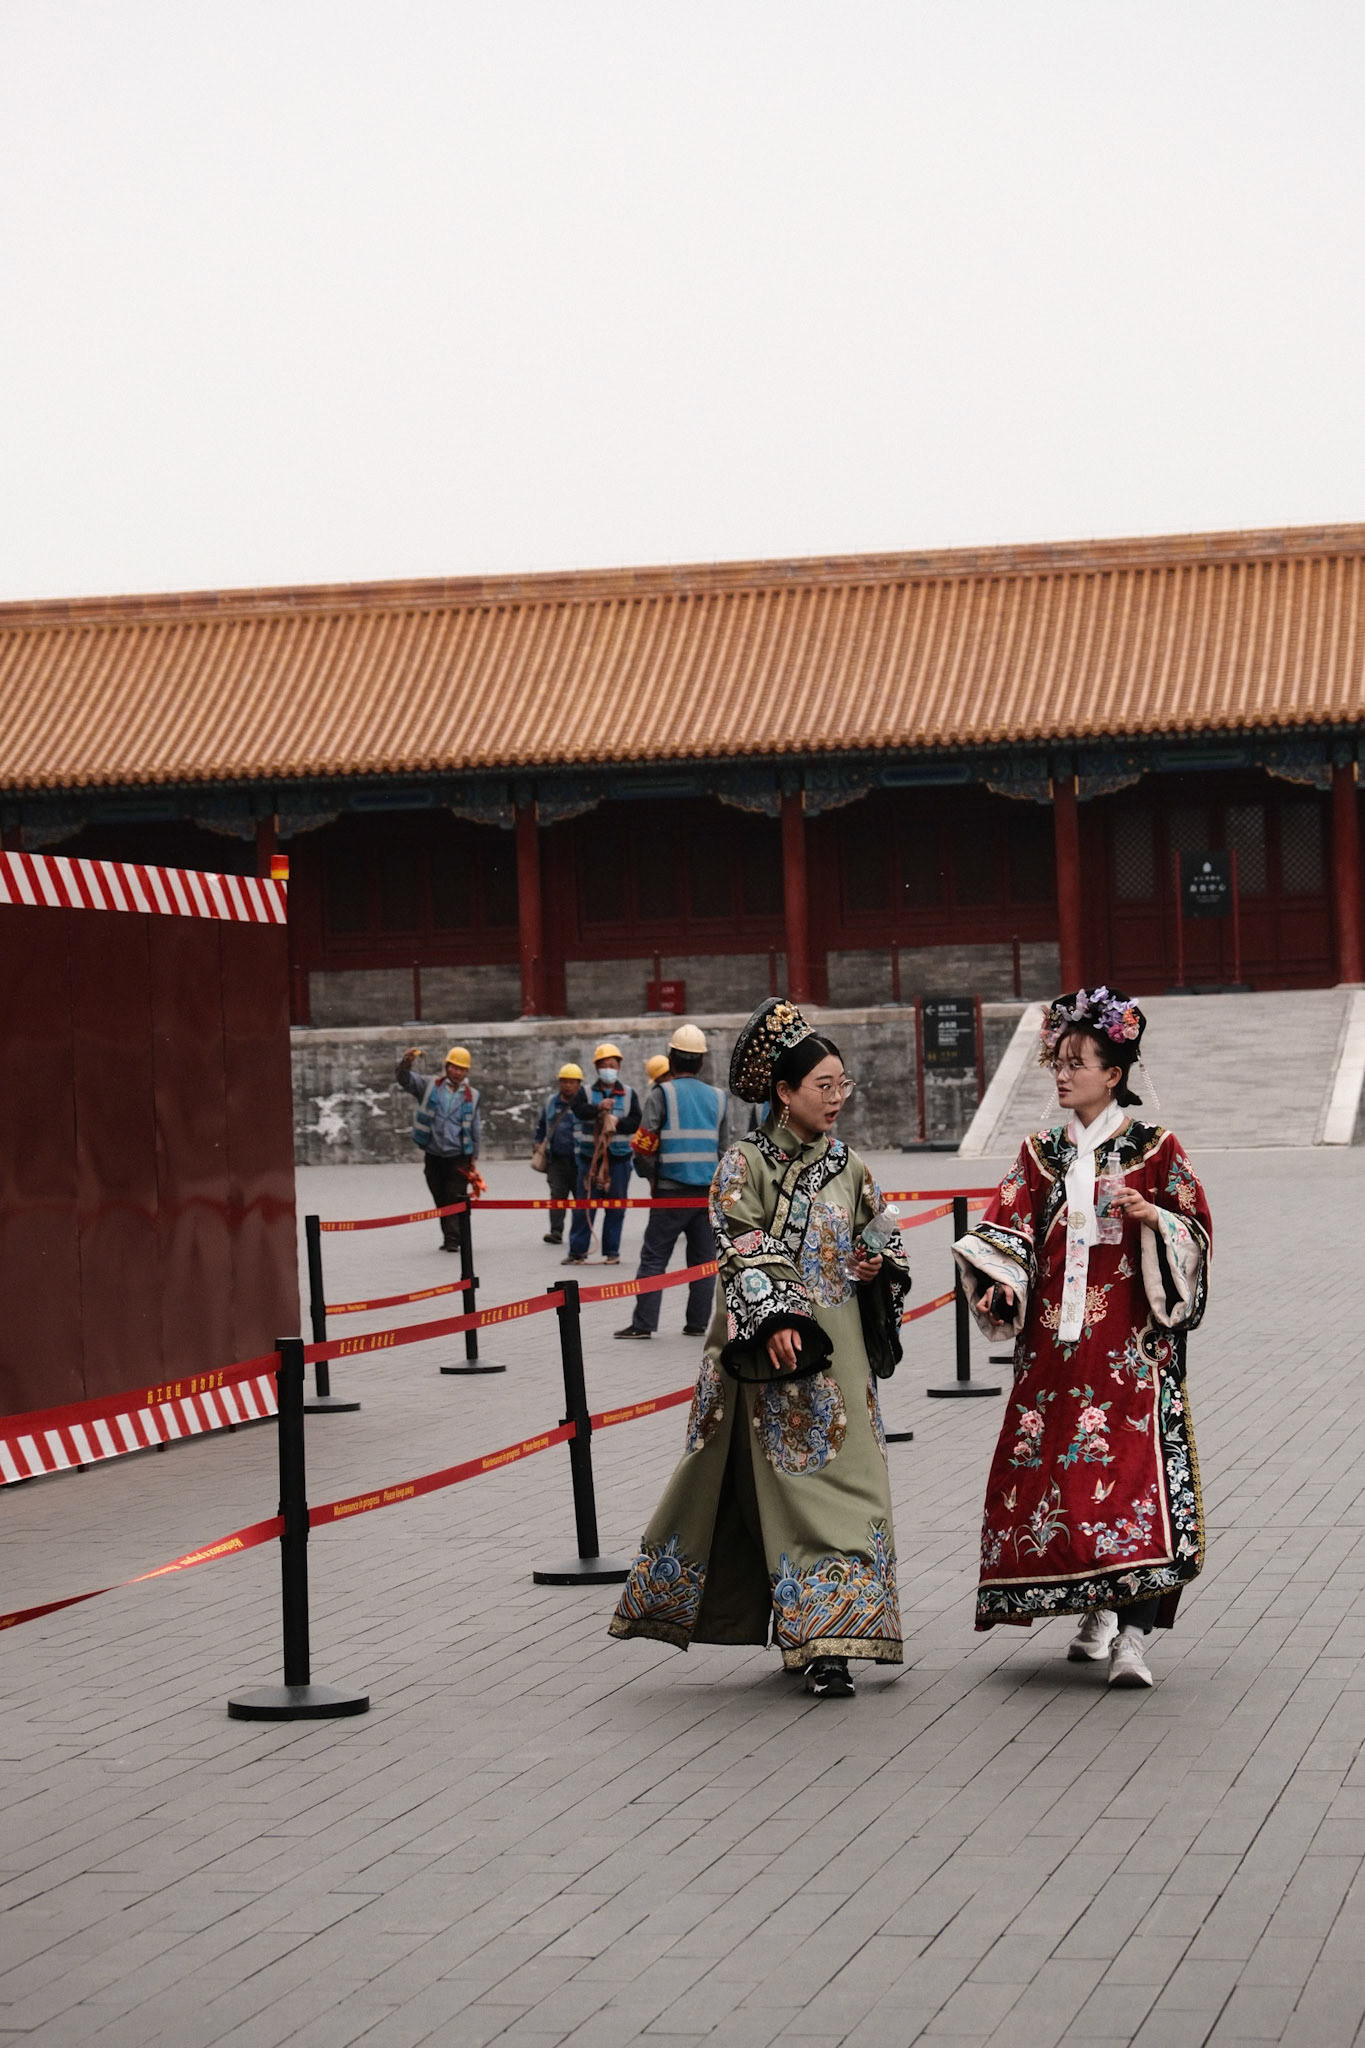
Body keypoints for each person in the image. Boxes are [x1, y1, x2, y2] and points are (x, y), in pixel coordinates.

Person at [610, 997, 910, 1698]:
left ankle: (842, 1629)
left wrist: (877, 1265)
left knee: (854, 1487)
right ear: (783, 1091)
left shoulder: (851, 1167)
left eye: (841, 1084)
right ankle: (820, 1649)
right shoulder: (741, 1167)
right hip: (769, 1359)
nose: (836, 1098)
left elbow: (883, 1236)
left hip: (842, 1358)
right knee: (787, 1494)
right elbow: (741, 1244)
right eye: (822, 1086)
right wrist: (776, 1318)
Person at [952, 986, 1211, 1690]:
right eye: (1058, 1062)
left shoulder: (1155, 1150)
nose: (1062, 1075)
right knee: (1065, 1482)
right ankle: (1094, 1609)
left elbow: (1196, 1233)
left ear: (1113, 1074)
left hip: (1130, 1353)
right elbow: (1005, 1228)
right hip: (1052, 1355)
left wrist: (1153, 1216)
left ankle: (1132, 1636)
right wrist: (1002, 1282)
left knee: (1132, 1482)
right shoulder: (1039, 1154)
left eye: (1077, 1063)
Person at [615, 1023, 726, 1341]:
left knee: (654, 1258)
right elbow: (723, 1152)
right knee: (704, 1262)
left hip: (669, 1193)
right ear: (701, 1061)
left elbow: (643, 1145)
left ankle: (644, 1324)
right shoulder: (719, 1098)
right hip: (705, 1196)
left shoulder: (661, 1094)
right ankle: (697, 1324)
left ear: (671, 1058)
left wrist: (650, 1176)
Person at [394, 1045, 481, 1252]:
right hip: (433, 1154)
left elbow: (475, 1127)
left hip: (458, 1155)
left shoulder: (473, 1095)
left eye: (462, 1069)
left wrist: (474, 1156)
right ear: (447, 1066)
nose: (457, 1072)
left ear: (467, 1072)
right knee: (440, 1197)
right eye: (454, 1067)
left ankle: (453, 1239)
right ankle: (452, 1235)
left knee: (454, 1196)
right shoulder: (430, 1085)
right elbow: (405, 1080)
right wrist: (406, 1063)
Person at [564, 1043, 641, 1265]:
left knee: (616, 1208)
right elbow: (578, 1110)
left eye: (613, 1065)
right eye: (605, 1065)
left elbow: (635, 1121)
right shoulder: (586, 1092)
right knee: (584, 1207)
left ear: (619, 1067)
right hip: (590, 1160)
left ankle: (612, 1251)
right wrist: (598, 1109)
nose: (609, 1069)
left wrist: (617, 1122)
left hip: (619, 1161)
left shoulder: (629, 1094)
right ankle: (577, 1251)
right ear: (597, 1068)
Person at [534, 1063, 583, 1246]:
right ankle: (556, 1231)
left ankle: (580, 1232)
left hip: (579, 1160)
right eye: (564, 1081)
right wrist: (538, 1142)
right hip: (557, 1160)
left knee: (580, 1198)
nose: (567, 1085)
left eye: (571, 1082)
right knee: (557, 1196)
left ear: (578, 1084)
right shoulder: (551, 1103)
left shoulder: (584, 1104)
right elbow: (542, 1124)